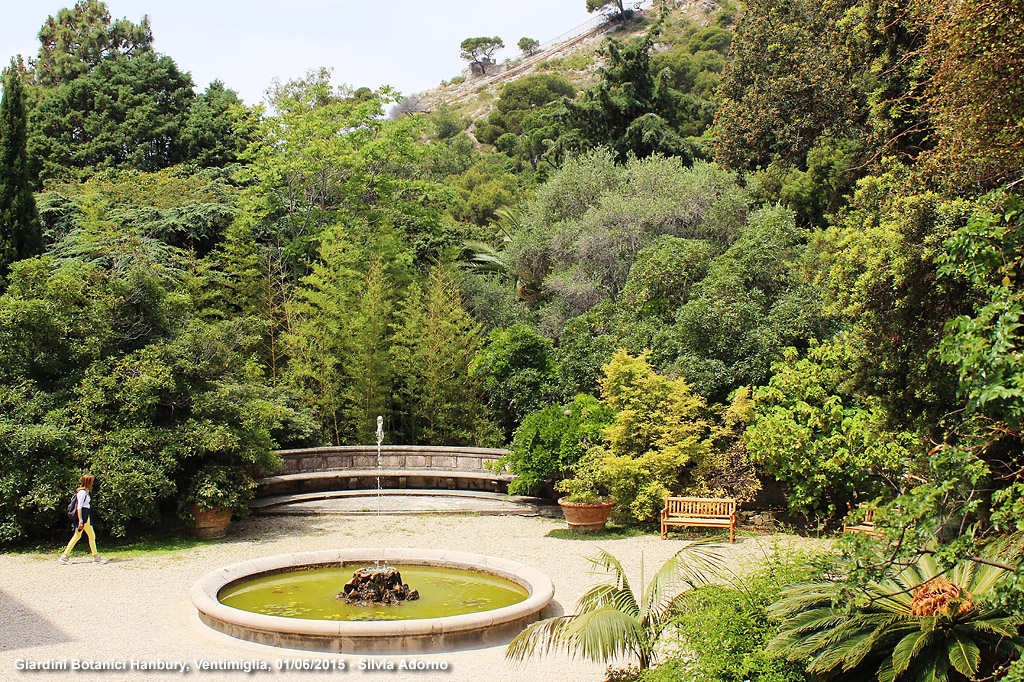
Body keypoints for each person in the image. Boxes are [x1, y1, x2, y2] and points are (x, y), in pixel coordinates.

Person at [58, 474, 108, 565]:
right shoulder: (82, 493)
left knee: (85, 536)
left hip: (86, 516)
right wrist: (81, 520)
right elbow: (79, 507)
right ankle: (65, 556)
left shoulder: (85, 492)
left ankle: (94, 556)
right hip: (84, 517)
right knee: (80, 536)